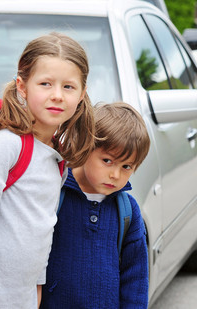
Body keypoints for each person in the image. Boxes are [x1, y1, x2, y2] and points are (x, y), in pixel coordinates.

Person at [0, 32, 96, 309]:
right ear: (22, 87)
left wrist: (37, 288)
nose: (57, 95)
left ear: (82, 94)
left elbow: (40, 228)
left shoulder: (55, 157)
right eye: (45, 84)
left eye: (69, 87)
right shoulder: (6, 145)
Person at [40, 102, 151, 309]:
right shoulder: (55, 193)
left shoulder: (128, 211)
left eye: (126, 166)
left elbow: (135, 280)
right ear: (85, 147)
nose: (115, 175)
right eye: (107, 161)